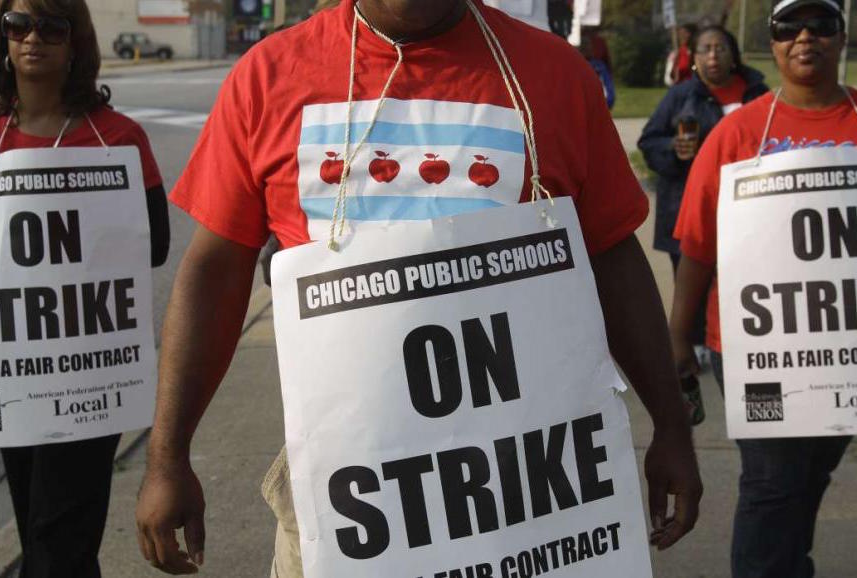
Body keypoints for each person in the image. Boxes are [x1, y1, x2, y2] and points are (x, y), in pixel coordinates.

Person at [134, 1, 702, 575]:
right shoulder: (269, 75)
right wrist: (167, 457)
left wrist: (671, 425)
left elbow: (612, 257)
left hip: (532, 497)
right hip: (349, 499)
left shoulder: (553, 74)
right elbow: (213, 274)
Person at [0, 0, 170, 575]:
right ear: (2, 39)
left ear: (75, 43)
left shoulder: (116, 137)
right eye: (18, 25)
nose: (33, 38)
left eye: (51, 26)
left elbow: (156, 245)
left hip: (88, 377)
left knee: (59, 540)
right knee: (39, 525)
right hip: (10, 371)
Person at [671, 0, 853, 575]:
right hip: (756, 352)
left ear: (842, 37)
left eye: (822, 25)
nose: (805, 37)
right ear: (771, 45)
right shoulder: (738, 133)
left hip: (844, 350)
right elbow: (697, 246)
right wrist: (677, 340)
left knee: (809, 476)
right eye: (787, 27)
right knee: (772, 485)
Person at [639, 24, 768, 404]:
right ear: (693, 59)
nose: (713, 57)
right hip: (689, 206)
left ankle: (743, 338)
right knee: (691, 278)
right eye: (705, 50)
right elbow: (649, 141)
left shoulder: (758, 94)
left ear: (734, 53)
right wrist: (672, 151)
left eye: (720, 48)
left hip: (752, 212)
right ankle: (694, 345)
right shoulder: (681, 96)